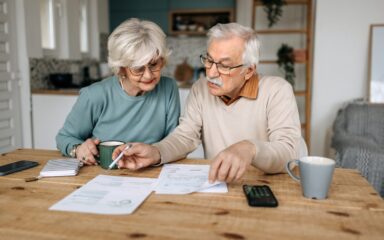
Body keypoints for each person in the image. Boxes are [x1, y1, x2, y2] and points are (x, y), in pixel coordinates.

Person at [113, 22, 304, 183]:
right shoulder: (201, 89)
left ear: (248, 70)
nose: (211, 73)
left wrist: (249, 148)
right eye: (209, 60)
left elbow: (288, 151)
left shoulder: (277, 90)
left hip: (273, 184)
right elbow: (185, 137)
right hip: (221, 184)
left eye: (224, 66)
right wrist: (155, 151)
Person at [56, 18, 180, 165]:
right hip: (103, 173)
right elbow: (64, 138)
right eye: (138, 68)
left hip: (150, 172)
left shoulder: (169, 88)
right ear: (122, 68)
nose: (148, 75)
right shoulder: (95, 95)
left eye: (154, 65)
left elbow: (175, 141)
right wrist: (78, 149)